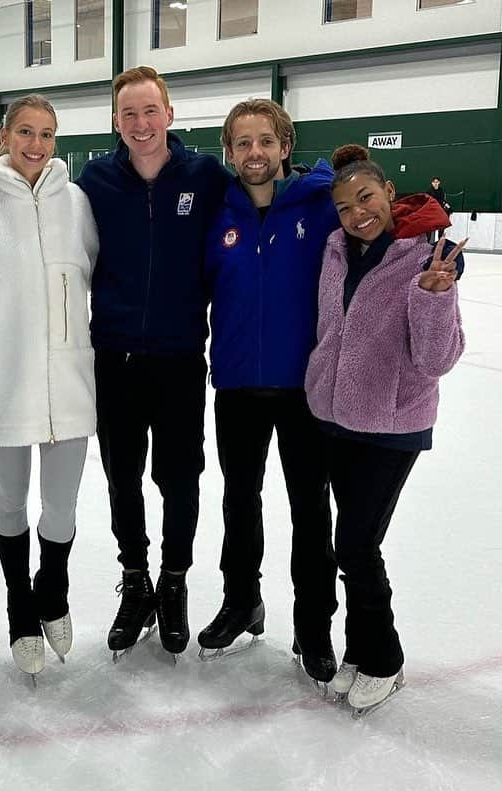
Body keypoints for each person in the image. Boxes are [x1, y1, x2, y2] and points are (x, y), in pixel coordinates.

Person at [74, 66, 230, 658]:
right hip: (114, 357)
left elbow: (267, 195)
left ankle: (173, 579)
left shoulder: (205, 177)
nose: (140, 125)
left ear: (169, 113)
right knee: (123, 476)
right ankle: (135, 579)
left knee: (179, 475)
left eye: (149, 111)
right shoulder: (95, 181)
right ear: (117, 121)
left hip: (181, 359)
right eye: (128, 114)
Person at [305, 144, 466, 715]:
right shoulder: (335, 250)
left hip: (394, 421)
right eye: (345, 206)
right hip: (338, 417)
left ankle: (385, 660)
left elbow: (438, 359)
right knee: (351, 542)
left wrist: (435, 298)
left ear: (389, 194)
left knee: (356, 542)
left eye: (366, 198)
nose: (358, 213)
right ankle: (360, 647)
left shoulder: (427, 256)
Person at [0, 95, 98, 680]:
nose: (35, 145)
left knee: (61, 505)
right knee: (10, 501)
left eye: (46, 134)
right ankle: (20, 606)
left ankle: (53, 589)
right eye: (25, 132)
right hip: (3, 379)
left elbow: (97, 275)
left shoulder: (77, 202)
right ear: (5, 135)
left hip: (69, 381)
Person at [198, 99, 341, 684]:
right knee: (240, 502)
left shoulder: (321, 207)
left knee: (311, 511)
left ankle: (314, 625)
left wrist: (438, 263)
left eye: (265, 141)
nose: (254, 153)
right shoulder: (216, 213)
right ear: (229, 152)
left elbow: (378, 241)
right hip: (236, 384)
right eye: (242, 143)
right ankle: (242, 602)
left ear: (285, 147)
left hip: (304, 388)